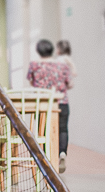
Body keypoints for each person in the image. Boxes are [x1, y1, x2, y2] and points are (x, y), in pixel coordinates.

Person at [26, 39, 73, 172]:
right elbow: (69, 84)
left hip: (42, 104)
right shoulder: (62, 65)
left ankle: (48, 158)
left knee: (44, 129)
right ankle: (62, 153)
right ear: (52, 50)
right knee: (62, 129)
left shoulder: (34, 65)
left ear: (38, 51)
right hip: (61, 102)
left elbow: (31, 81)